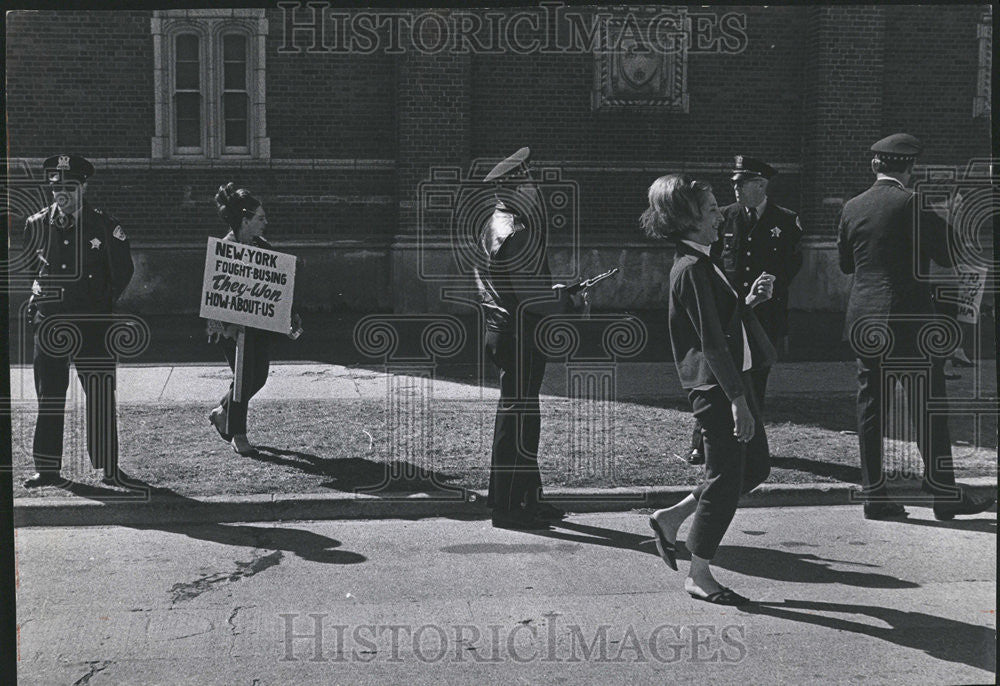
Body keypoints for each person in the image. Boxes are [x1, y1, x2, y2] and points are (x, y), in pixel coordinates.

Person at [837, 133, 995, 521]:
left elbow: (845, 265)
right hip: (908, 322)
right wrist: (953, 217)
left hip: (864, 318)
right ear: (910, 168)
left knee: (870, 408)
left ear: (875, 165)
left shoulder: (852, 207)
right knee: (928, 407)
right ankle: (943, 494)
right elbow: (947, 252)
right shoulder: (913, 203)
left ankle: (875, 497)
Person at [641, 174, 777, 605]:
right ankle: (699, 574)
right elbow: (711, 343)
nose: (721, 216)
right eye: (713, 209)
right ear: (688, 218)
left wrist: (748, 302)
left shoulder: (703, 260)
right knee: (724, 477)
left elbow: (717, 323)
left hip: (728, 383)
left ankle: (672, 517)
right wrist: (738, 399)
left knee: (753, 468)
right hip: (716, 387)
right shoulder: (693, 267)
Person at [473, 147, 588, 530]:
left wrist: (553, 289)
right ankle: (508, 507)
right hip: (519, 333)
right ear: (515, 186)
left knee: (521, 417)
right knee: (519, 421)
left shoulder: (496, 222)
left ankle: (527, 499)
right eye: (529, 180)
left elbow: (516, 285)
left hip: (505, 329)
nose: (535, 187)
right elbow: (531, 297)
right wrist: (569, 301)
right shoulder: (517, 230)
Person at [23, 154, 135, 488]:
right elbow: (34, 268)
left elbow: (122, 271)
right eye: (56, 187)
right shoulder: (36, 224)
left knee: (99, 394)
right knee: (50, 395)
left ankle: (109, 468)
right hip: (51, 325)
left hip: (92, 325)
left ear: (83, 187)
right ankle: (47, 469)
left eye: (70, 187)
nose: (62, 194)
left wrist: (100, 305)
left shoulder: (103, 225)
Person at [688, 156, 803, 465]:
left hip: (764, 315)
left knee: (756, 378)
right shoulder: (722, 217)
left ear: (761, 185)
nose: (735, 187)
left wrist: (771, 289)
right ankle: (702, 440)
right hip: (729, 312)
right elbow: (710, 263)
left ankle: (748, 440)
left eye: (742, 183)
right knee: (717, 375)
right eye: (734, 183)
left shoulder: (786, 220)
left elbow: (793, 263)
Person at [207, 183, 302, 456]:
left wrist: (289, 314)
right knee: (244, 377)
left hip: (259, 325)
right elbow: (216, 291)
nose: (265, 223)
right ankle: (238, 434)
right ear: (245, 219)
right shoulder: (225, 249)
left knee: (257, 377)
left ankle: (222, 411)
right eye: (260, 218)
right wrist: (226, 325)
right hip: (233, 329)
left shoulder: (262, 246)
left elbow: (277, 287)